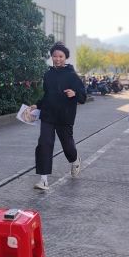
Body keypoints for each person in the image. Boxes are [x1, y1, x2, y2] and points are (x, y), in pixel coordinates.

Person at [30, 42, 87, 190]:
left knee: (67, 146)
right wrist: (37, 105)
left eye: (61, 56)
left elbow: (83, 97)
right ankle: (43, 180)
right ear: (52, 57)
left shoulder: (72, 76)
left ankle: (75, 160)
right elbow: (47, 95)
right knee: (44, 144)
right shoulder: (48, 75)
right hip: (48, 115)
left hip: (64, 117)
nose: (57, 59)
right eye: (55, 56)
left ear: (65, 57)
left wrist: (74, 93)